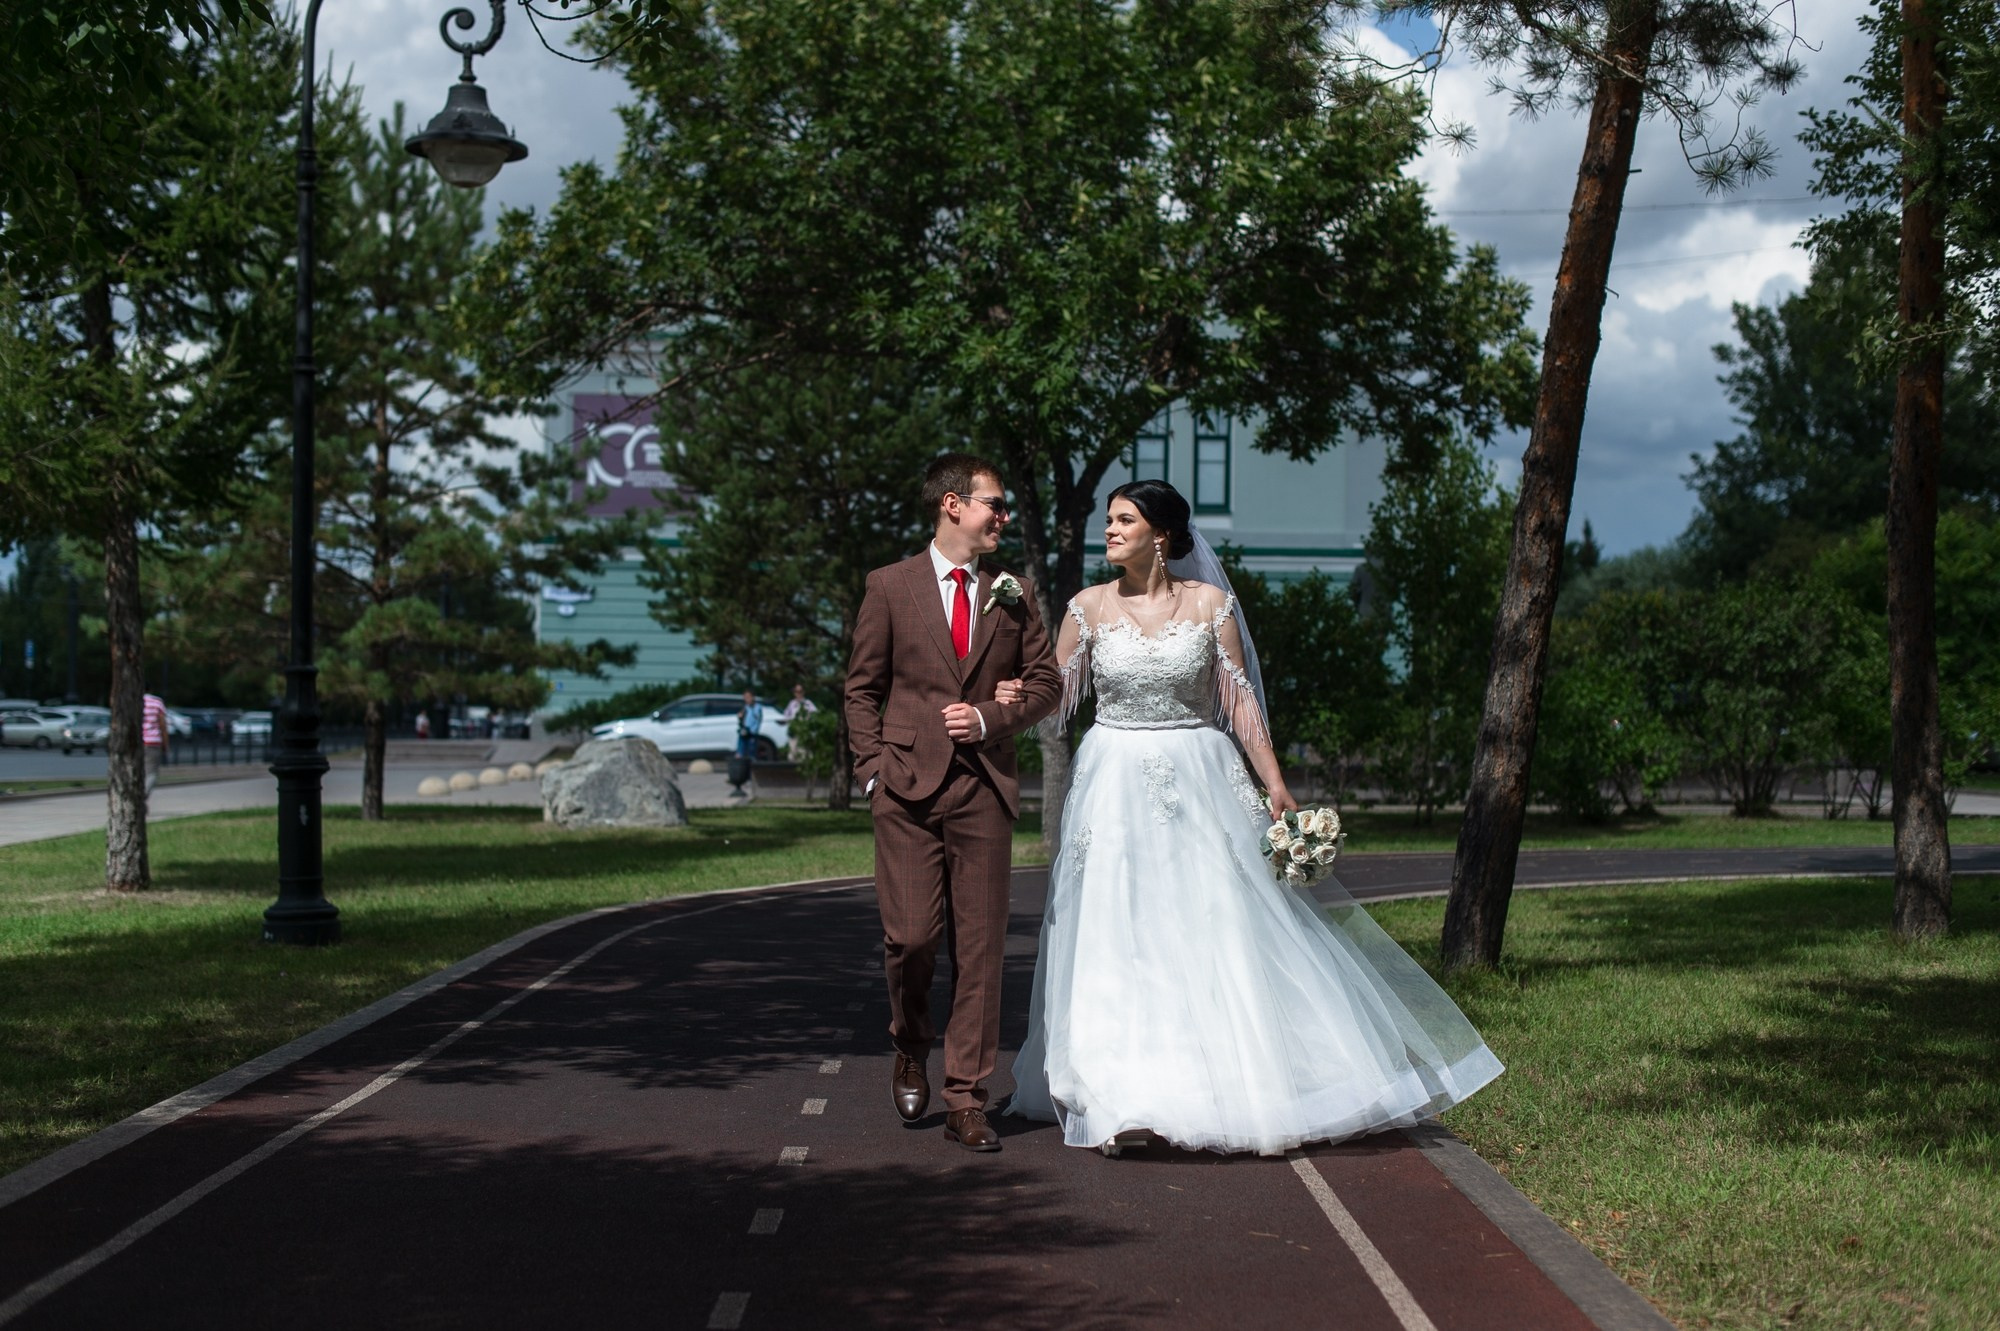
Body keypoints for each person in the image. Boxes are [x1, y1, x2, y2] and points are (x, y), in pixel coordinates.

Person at [1002, 480, 1502, 1157]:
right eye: (1109, 519)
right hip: (1112, 781)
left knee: (1214, 923)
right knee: (1116, 926)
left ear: (1162, 535)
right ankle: (1116, 1092)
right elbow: (1053, 697)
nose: (1110, 530)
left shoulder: (1212, 606)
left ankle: (1222, 1079)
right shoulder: (1086, 607)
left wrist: (1275, 783)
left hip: (1201, 774)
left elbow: (1240, 704)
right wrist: (1013, 693)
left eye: (1124, 519)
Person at [844, 453, 1062, 1152]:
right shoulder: (889, 585)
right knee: (911, 940)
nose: (1003, 516)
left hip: (984, 789)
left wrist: (992, 718)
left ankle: (967, 1098)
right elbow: (861, 689)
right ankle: (910, 1043)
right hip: (905, 789)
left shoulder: (1013, 592)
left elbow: (1046, 684)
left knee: (981, 951)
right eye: (993, 503)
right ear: (952, 504)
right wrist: (872, 771)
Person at [731, 689, 765, 798]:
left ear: (753, 697)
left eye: (748, 697)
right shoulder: (745, 707)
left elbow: (757, 720)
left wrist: (752, 731)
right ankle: (742, 778)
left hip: (752, 734)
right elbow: (741, 719)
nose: (747, 699)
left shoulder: (757, 708)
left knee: (751, 756)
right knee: (740, 754)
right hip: (743, 733)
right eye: (745, 697)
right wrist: (740, 717)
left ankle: (752, 778)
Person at [141, 692, 169, 796]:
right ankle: (142, 796)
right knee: (151, 773)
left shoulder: (132, 701)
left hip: (136, 741)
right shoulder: (157, 702)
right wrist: (165, 744)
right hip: (153, 742)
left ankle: (135, 796)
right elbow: (163, 725)